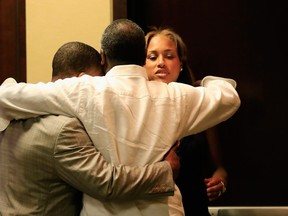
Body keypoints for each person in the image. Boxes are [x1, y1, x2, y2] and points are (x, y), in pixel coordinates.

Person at [0, 19, 241, 216]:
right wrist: (206, 82)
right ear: (142, 56)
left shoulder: (84, 89)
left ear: (103, 57)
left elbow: (6, 95)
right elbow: (229, 98)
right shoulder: (177, 97)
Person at [0, 41, 180, 215]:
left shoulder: (14, 116)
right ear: (81, 81)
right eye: (97, 84)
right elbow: (108, 183)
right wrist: (166, 169)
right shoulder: (64, 129)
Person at [144, 27, 228, 216]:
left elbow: (219, 168)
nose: (161, 63)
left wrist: (220, 182)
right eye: (152, 56)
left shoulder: (200, 104)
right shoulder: (135, 108)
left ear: (180, 63)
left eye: (169, 56)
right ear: (142, 64)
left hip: (195, 209)